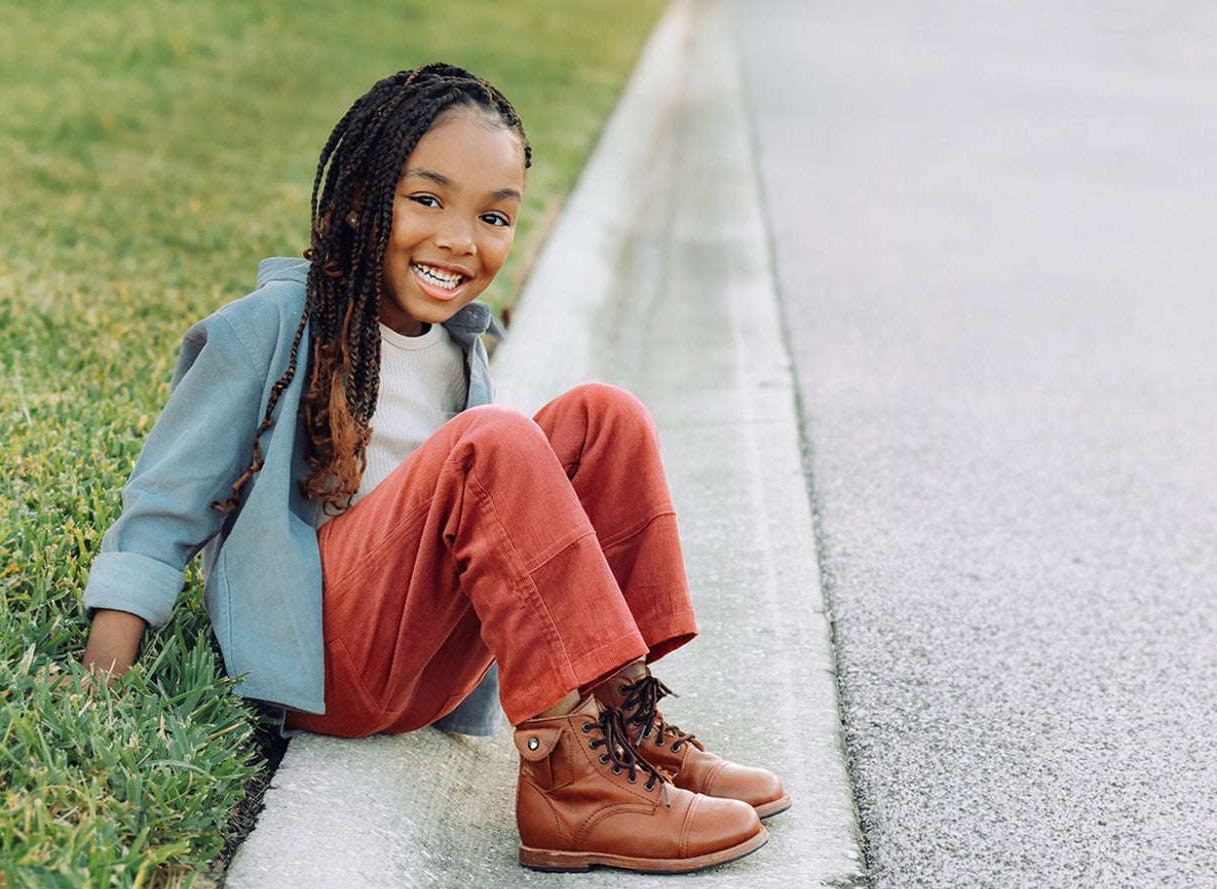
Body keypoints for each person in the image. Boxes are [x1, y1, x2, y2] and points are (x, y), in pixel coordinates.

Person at [77, 63, 787, 874]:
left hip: (424, 663)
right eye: (426, 199)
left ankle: (620, 720)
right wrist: (107, 683)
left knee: (604, 416)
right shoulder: (271, 326)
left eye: (493, 215)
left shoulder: (458, 346)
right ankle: (570, 787)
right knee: (494, 440)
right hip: (324, 663)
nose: (460, 239)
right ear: (356, 198)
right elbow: (162, 507)